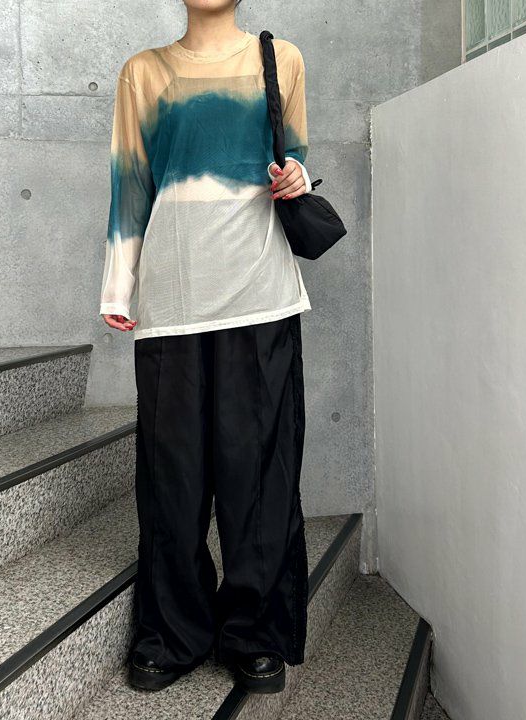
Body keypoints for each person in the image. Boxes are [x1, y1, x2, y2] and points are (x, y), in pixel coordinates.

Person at [100, 0, 313, 695]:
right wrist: (119, 284)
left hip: (261, 291)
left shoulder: (281, 60)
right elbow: (131, 181)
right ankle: (173, 630)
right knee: (174, 474)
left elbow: (295, 157)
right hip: (174, 295)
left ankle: (254, 632)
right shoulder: (143, 72)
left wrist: (296, 176)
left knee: (259, 472)